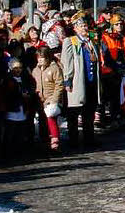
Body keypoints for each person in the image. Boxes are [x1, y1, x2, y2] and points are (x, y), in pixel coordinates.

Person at [60, 15, 101, 149]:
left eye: (85, 26)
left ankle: (89, 138)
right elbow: (67, 62)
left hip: (91, 82)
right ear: (75, 28)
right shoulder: (70, 41)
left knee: (89, 112)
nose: (85, 28)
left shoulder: (90, 41)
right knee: (74, 111)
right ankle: (73, 140)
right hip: (78, 81)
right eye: (82, 26)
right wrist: (68, 80)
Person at [33, 44, 65, 152]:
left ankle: (55, 141)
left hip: (51, 98)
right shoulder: (36, 70)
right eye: (39, 58)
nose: (40, 60)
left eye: (42, 58)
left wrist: (55, 99)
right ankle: (45, 141)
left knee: (51, 118)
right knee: (42, 121)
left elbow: (59, 84)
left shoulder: (54, 68)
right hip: (40, 99)